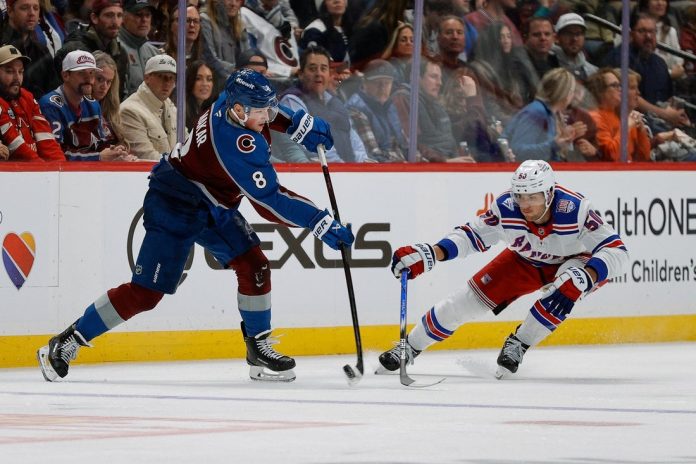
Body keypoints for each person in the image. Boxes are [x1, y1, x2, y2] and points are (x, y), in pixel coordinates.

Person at [37, 68, 354, 383]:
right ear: (239, 110)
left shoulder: (230, 101)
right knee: (145, 293)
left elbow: (267, 111)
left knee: (254, 265)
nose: (268, 116)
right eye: (261, 111)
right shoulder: (236, 145)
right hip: (174, 203)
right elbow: (270, 201)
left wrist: (298, 124)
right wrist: (319, 221)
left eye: (269, 108)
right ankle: (69, 339)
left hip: (212, 204)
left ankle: (258, 348)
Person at [378, 160, 629, 378]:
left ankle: (519, 343)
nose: (525, 205)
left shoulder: (575, 210)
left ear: (550, 193)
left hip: (577, 262)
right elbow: (472, 235)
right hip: (525, 260)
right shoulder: (507, 207)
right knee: (462, 303)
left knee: (567, 286)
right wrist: (434, 252)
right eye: (520, 196)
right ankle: (409, 347)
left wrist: (589, 275)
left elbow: (617, 251)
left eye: (533, 197)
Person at [39, 50, 129, 161]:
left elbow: (102, 144)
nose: (89, 79)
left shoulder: (93, 104)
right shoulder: (50, 106)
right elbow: (55, 155)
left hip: (91, 169)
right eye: (82, 73)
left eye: (91, 73)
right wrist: (98, 157)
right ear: (65, 75)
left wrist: (115, 152)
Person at [0, 44, 64, 162]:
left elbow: (46, 140)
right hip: (16, 170)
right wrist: (41, 168)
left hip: (34, 167)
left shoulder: (27, 97)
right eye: (9, 71)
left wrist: (60, 167)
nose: (17, 78)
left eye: (21, 72)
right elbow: (16, 146)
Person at [119, 54, 178, 160]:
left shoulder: (171, 107)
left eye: (171, 78)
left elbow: (188, 144)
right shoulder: (129, 111)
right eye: (161, 77)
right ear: (147, 78)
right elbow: (147, 156)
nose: (167, 83)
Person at [184, 60, 215, 130]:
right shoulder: (182, 111)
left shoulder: (208, 110)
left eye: (209, 79)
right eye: (198, 79)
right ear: (190, 81)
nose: (205, 84)